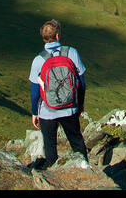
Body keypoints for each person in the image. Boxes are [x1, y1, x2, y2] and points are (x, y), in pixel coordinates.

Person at [28, 19, 90, 170]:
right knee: (76, 141)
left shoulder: (38, 60)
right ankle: (84, 168)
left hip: (47, 112)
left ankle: (53, 175)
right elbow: (81, 83)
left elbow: (35, 91)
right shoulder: (71, 53)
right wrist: (79, 104)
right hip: (69, 108)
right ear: (57, 36)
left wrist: (35, 113)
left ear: (43, 38)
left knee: (50, 146)